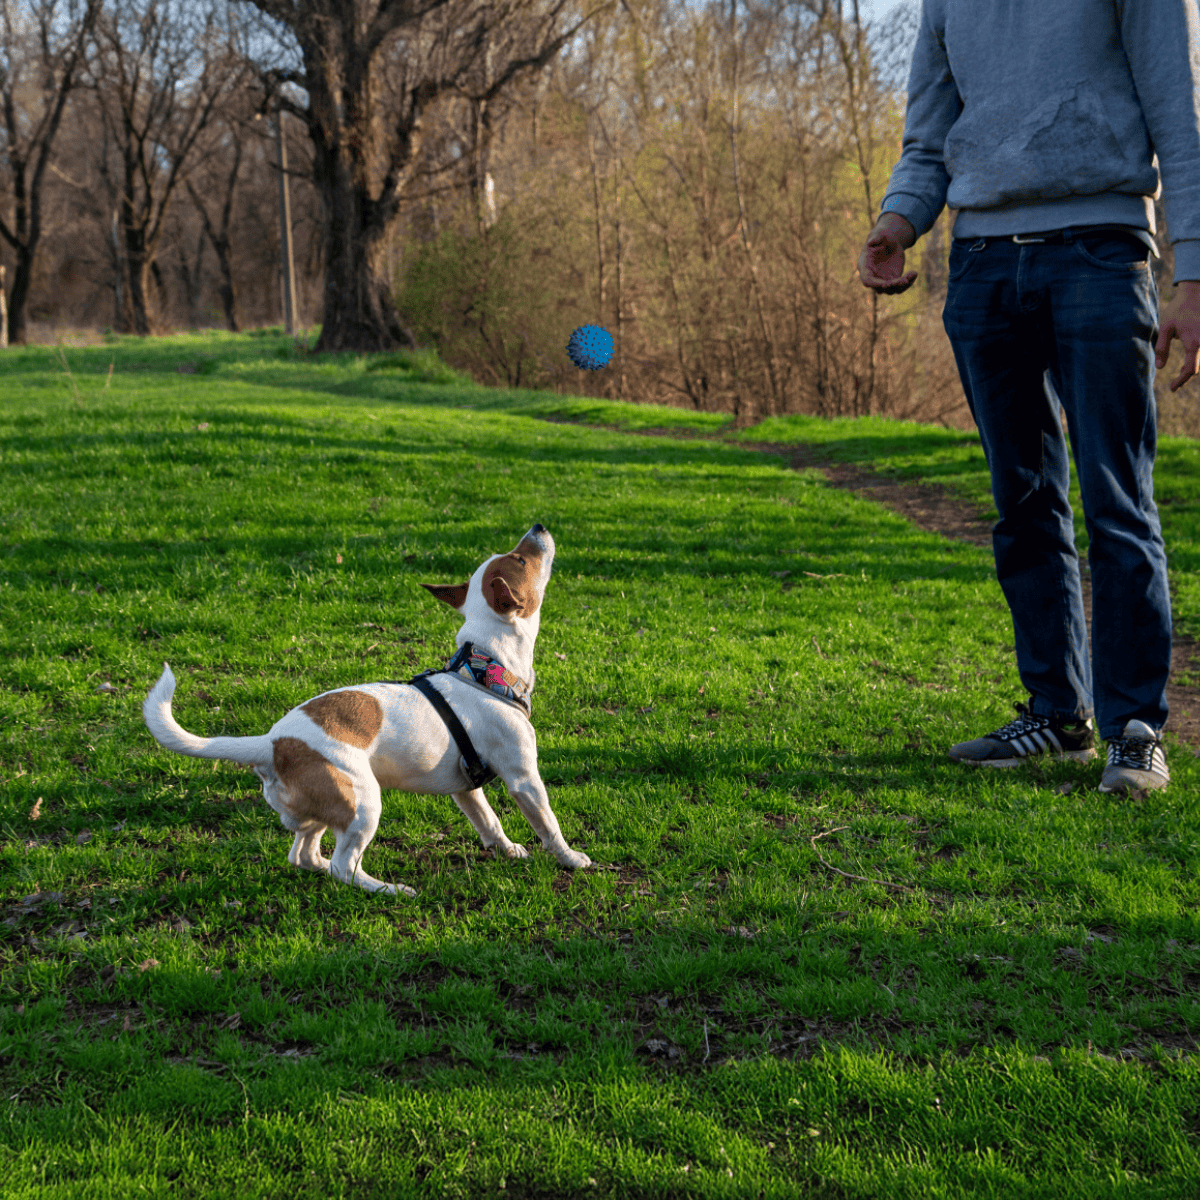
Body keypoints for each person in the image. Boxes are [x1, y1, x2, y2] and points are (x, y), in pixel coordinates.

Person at [857, 0, 1200, 793]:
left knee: (1119, 499)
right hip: (978, 262)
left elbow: (1181, 123)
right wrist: (899, 221)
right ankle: (1057, 711)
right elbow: (931, 132)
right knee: (1024, 501)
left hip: (1101, 254)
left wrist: (1193, 275)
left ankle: (1135, 729)